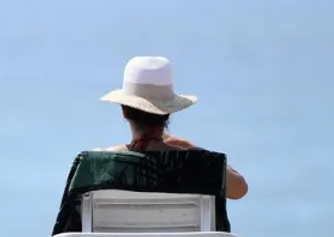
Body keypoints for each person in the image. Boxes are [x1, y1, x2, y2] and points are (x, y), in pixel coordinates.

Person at [98, 56, 248, 199]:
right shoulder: (197, 162)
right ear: (168, 113)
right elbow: (240, 188)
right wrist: (189, 147)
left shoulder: (97, 163)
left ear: (124, 112)